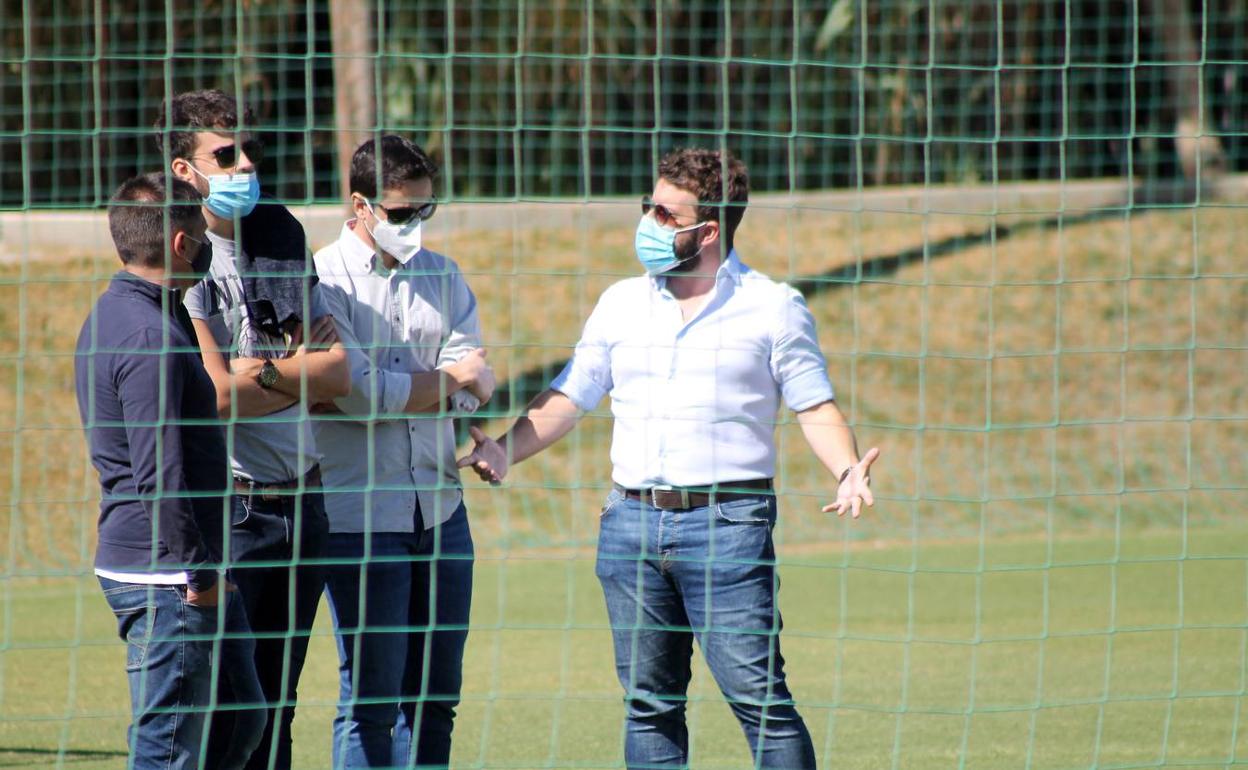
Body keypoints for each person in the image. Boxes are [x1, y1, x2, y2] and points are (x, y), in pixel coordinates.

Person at [459, 147, 881, 769]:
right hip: (629, 525)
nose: (647, 223)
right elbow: (570, 395)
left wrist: (846, 469)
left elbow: (813, 404)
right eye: (648, 207)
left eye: (664, 214)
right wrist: (506, 448)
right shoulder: (620, 302)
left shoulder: (774, 305)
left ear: (708, 231)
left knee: (761, 702)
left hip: (728, 526)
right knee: (649, 706)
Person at [157, 88, 351, 770]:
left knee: (279, 707)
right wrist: (295, 372)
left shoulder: (281, 235)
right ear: (185, 169)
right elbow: (213, 398)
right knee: (224, 710)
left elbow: (338, 375)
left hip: (306, 503)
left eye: (251, 150)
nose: (244, 166)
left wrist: (260, 373)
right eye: (225, 155)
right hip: (234, 513)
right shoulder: (180, 255)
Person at [311, 135, 493, 769]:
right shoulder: (321, 280)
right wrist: (449, 380)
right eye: (400, 211)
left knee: (437, 699)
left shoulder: (443, 273)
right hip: (360, 518)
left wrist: (434, 387)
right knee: (371, 701)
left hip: (442, 511)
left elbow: (475, 385)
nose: (414, 222)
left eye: (425, 209)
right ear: (360, 205)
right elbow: (358, 394)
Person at [74, 172, 226, 769]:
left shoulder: (137, 312)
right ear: (182, 244)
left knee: (241, 718)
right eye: (203, 235)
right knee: (167, 749)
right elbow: (158, 472)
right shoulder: (147, 334)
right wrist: (198, 571)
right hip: (165, 575)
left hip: (179, 566)